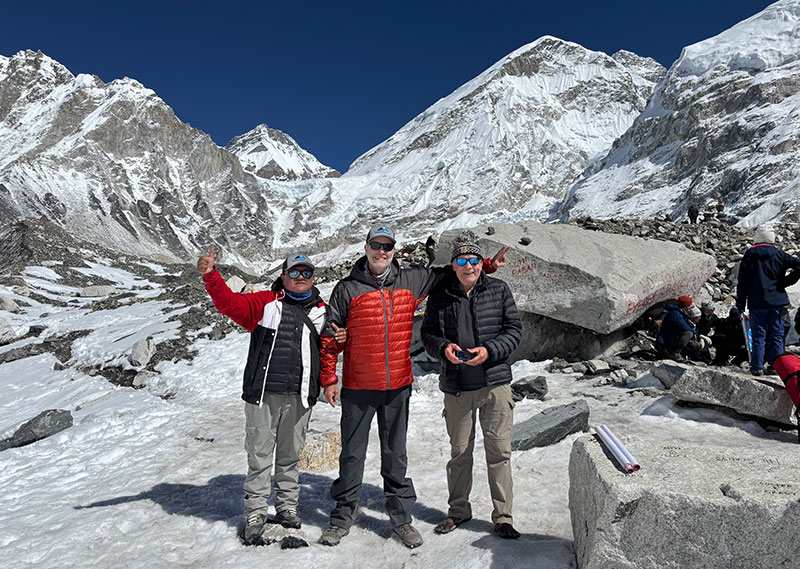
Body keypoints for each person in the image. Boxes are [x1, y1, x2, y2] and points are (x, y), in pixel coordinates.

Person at [317, 225, 508, 549]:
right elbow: (329, 336)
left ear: (394, 250)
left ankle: (401, 519)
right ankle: (342, 517)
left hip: (397, 385)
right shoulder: (346, 288)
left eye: (387, 246)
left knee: (395, 457)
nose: (381, 252)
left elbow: (454, 272)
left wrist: (485, 265)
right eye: (376, 245)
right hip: (359, 386)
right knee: (351, 455)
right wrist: (329, 379)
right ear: (366, 248)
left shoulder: (412, 280)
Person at [197, 249, 343, 545]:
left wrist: (341, 343)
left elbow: (328, 350)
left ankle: (287, 506)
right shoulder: (264, 304)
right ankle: (255, 511)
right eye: (294, 272)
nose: (300, 277)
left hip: (300, 396)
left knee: (290, 455)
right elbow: (227, 303)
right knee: (259, 455)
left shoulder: (323, 312)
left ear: (313, 277)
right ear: (283, 276)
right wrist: (211, 276)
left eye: (306, 272)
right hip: (263, 395)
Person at [421, 230, 523, 540]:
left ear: (481, 263)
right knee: (459, 453)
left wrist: (490, 351)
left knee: (499, 452)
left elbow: (514, 330)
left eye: (474, 260)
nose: (469, 266)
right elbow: (428, 334)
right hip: (457, 387)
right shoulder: (440, 296)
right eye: (463, 260)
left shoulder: (498, 290)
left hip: (495, 385)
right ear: (453, 265)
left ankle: (503, 518)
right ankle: (458, 511)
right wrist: (443, 348)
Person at [736, 226, 800, 375]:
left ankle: (757, 367)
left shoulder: (750, 254)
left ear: (757, 237)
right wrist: (785, 282)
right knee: (777, 335)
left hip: (757, 302)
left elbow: (742, 281)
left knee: (758, 335)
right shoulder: (779, 254)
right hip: (777, 301)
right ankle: (776, 366)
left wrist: (741, 302)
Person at [655, 296, 702, 360]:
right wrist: (694, 332)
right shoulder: (675, 314)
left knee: (694, 345)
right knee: (689, 333)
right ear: (685, 306)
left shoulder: (679, 312)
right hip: (666, 341)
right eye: (689, 306)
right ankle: (674, 353)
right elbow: (683, 327)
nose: (690, 308)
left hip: (672, 338)